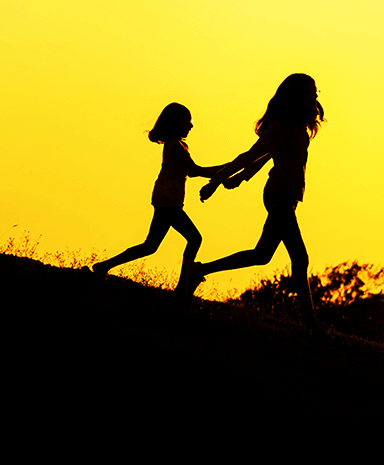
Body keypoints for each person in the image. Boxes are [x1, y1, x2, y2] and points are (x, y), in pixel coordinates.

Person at [187, 73, 324, 334]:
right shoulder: (282, 126)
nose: (315, 95)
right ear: (298, 94)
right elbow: (250, 155)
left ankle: (199, 270)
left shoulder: (298, 127)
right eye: (311, 90)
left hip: (288, 199)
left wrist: (242, 178)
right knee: (300, 258)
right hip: (278, 197)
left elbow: (265, 158)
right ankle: (312, 328)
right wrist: (216, 180)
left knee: (261, 255)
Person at [92, 103, 221, 288]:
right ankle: (183, 286)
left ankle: (103, 266)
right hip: (168, 200)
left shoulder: (179, 145)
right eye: (188, 121)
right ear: (177, 123)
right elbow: (195, 170)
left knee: (150, 245)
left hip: (166, 198)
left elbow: (192, 172)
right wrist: (229, 169)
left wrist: (227, 171)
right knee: (194, 238)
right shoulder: (176, 146)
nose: (191, 126)